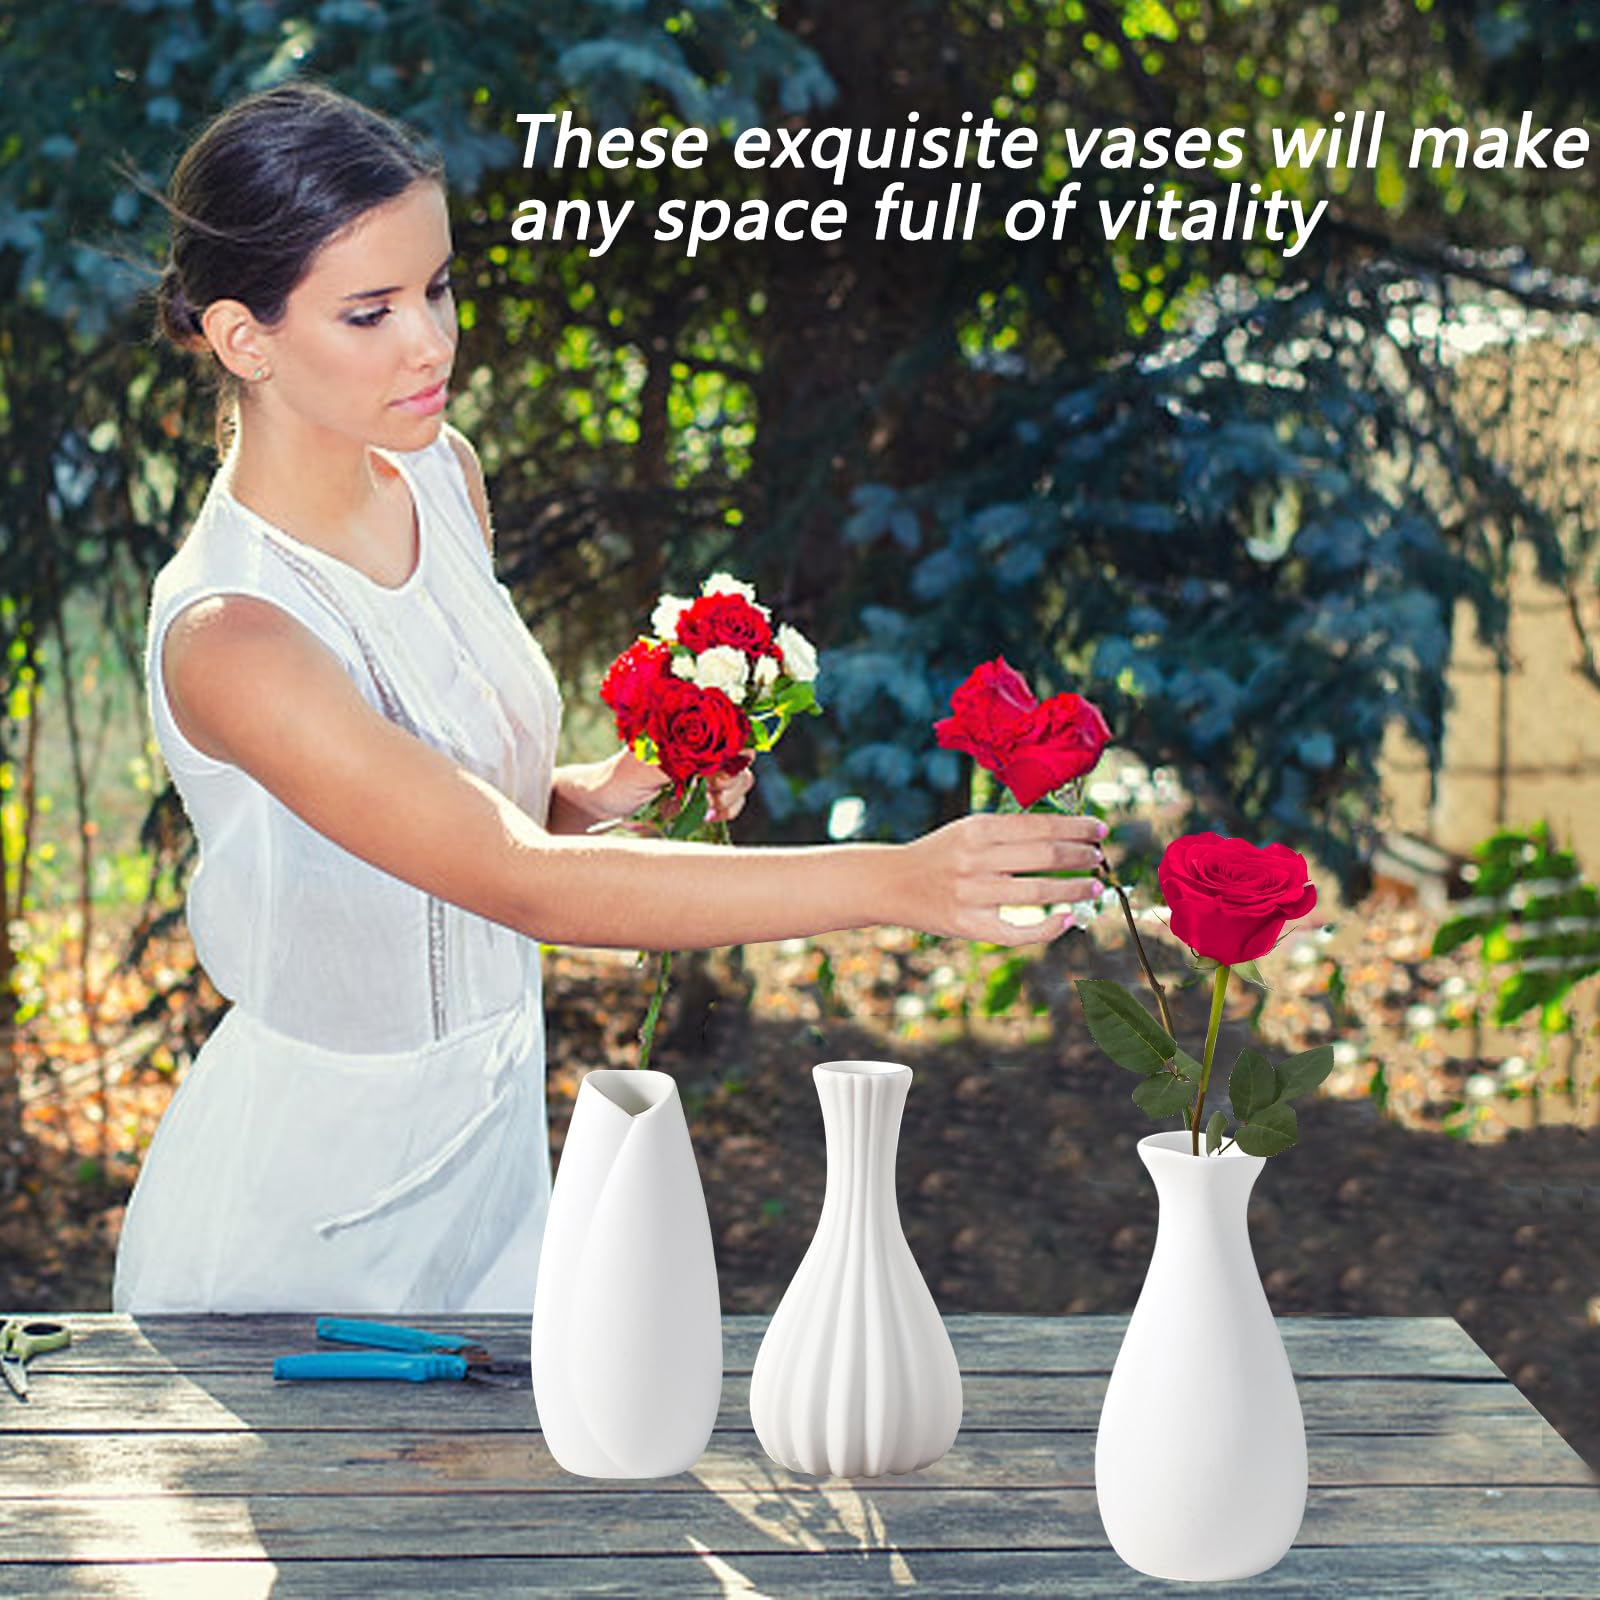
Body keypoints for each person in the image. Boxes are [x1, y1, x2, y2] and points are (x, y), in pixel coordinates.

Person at [111, 80, 1105, 1316]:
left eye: (438, 287)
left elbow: (479, 821)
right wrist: (903, 881)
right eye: (369, 311)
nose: (430, 342)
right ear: (243, 338)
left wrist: (612, 787)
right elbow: (515, 878)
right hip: (296, 1216)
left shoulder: (437, 477)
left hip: (491, 1159)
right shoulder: (236, 635)